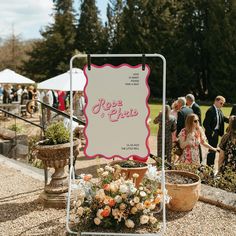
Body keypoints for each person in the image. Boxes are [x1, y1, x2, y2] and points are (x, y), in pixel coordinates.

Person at [203, 95, 229, 166]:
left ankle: (210, 167)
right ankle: (209, 168)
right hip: (212, 133)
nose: (222, 105)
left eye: (223, 104)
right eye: (221, 103)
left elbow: (223, 118)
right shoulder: (210, 110)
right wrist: (211, 133)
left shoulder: (219, 110)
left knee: (213, 150)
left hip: (217, 133)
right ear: (216, 101)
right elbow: (205, 124)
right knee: (212, 151)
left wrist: (231, 120)